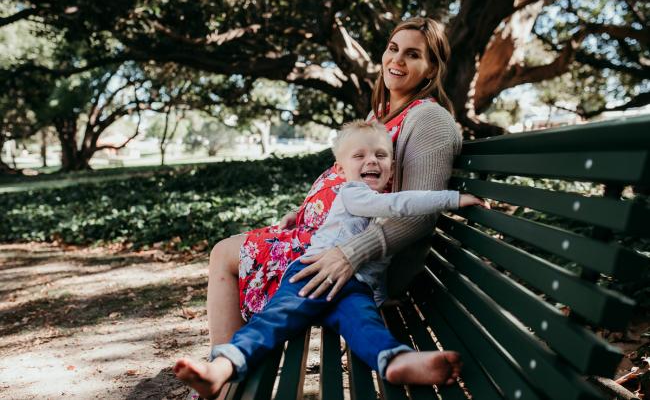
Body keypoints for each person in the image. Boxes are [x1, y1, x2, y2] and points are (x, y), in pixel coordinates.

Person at [205, 16, 461, 373]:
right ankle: (226, 372)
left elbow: (417, 214)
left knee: (224, 254)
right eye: (393, 49)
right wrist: (305, 209)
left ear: (432, 67)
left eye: (413, 54)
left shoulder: (429, 120)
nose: (397, 60)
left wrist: (350, 254)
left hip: (346, 254)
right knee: (228, 252)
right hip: (326, 239)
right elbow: (349, 178)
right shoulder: (382, 115)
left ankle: (224, 376)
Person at [175, 121, 488, 398]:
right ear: (339, 171)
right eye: (360, 156)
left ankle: (396, 361)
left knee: (364, 325)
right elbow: (403, 204)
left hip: (353, 287)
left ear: (392, 166)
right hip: (313, 273)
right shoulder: (355, 193)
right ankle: (222, 367)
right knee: (274, 320)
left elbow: (386, 241)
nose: (372, 161)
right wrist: (453, 199)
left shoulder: (375, 200)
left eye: (381, 155)